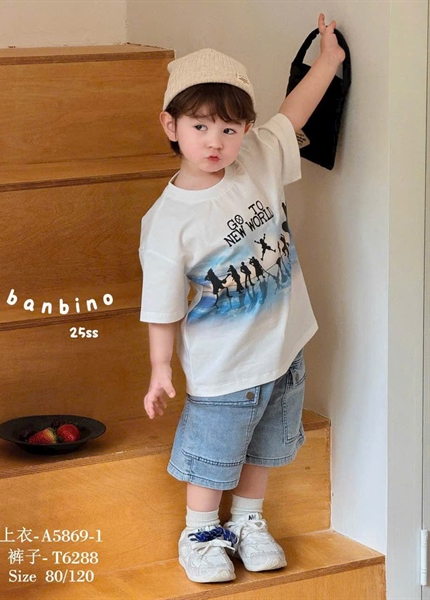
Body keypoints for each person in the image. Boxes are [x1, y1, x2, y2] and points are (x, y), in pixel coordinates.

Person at [139, 13, 345, 584]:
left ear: (247, 130)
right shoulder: (167, 223)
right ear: (170, 124)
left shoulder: (256, 158)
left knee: (264, 448)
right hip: (224, 366)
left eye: (229, 129)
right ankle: (201, 532)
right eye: (200, 126)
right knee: (214, 453)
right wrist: (160, 367)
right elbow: (162, 306)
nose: (215, 141)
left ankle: (249, 521)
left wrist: (328, 61)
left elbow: (293, 114)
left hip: (283, 348)